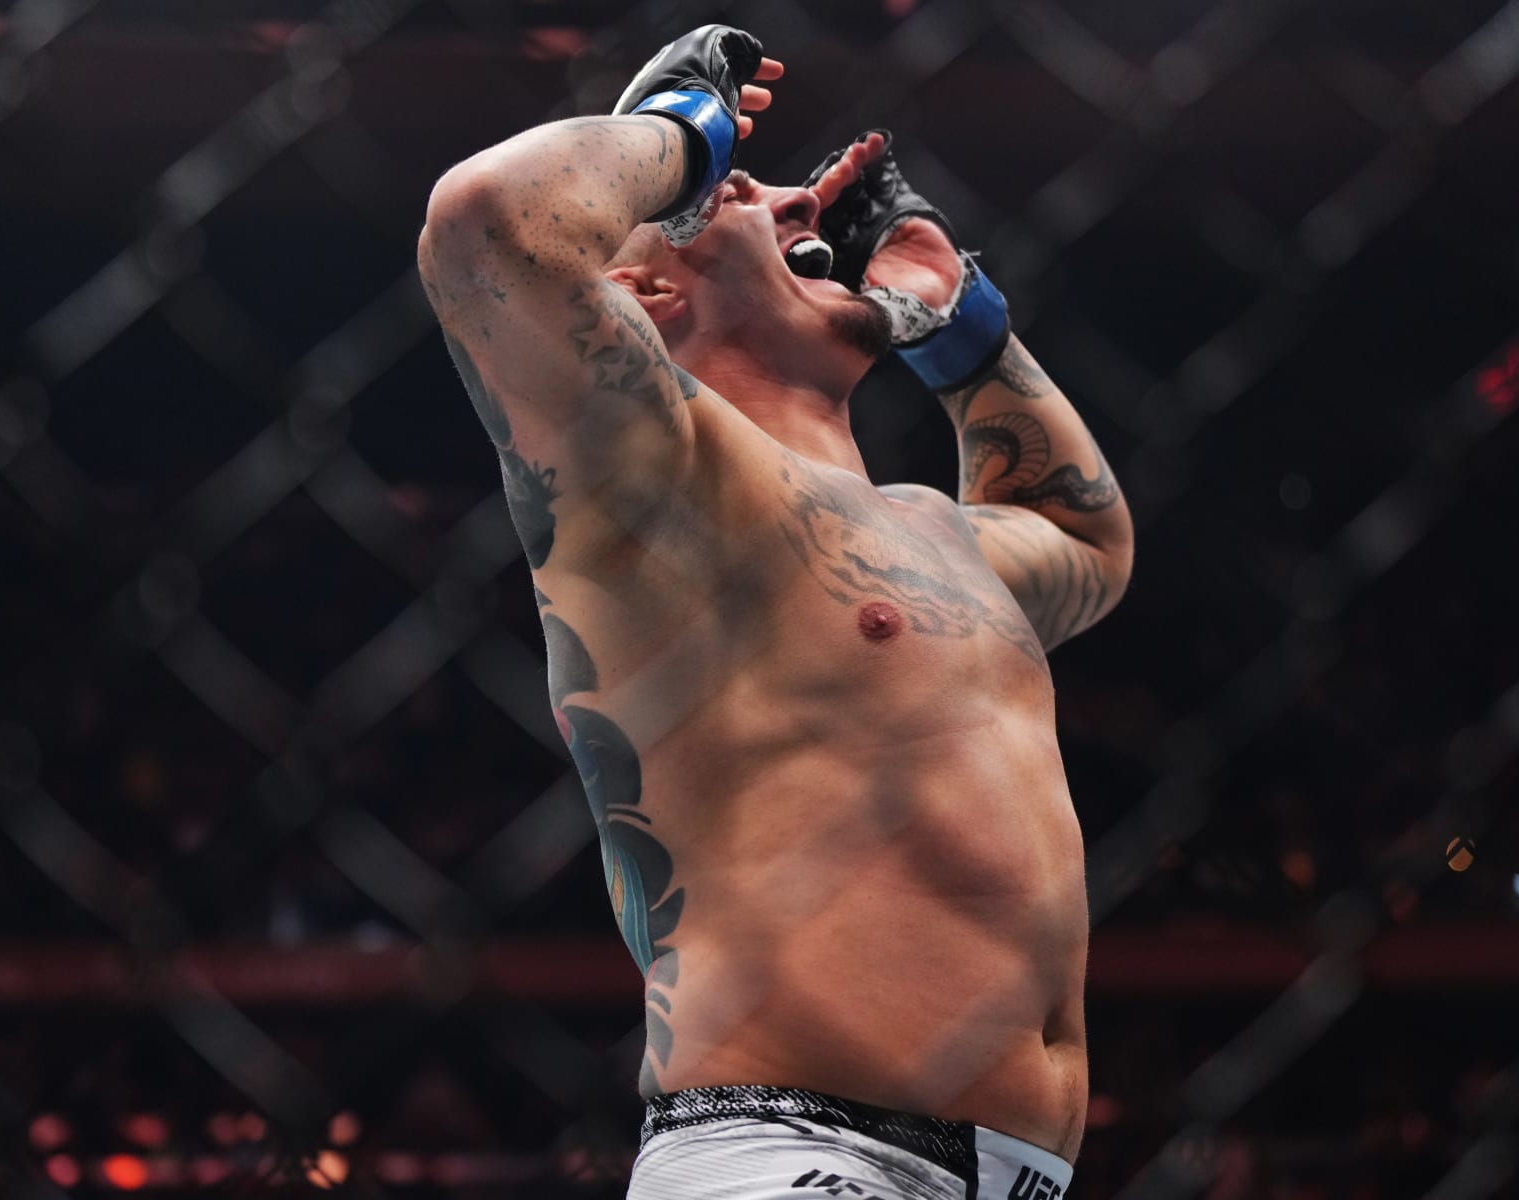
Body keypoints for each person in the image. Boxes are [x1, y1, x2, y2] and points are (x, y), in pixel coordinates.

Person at [417, 25, 1132, 1200]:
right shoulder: (659, 472)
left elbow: (1088, 539)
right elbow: (489, 223)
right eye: (742, 197)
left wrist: (965, 331)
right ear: (646, 289)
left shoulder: (935, 533)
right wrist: (684, 139)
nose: (795, 196)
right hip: (788, 1157)